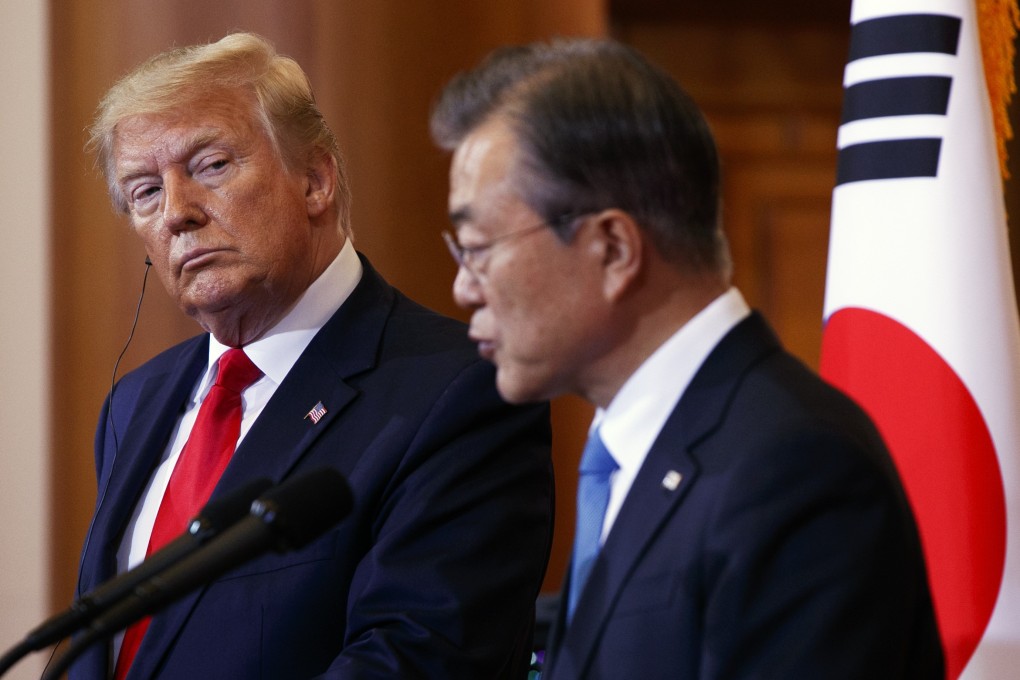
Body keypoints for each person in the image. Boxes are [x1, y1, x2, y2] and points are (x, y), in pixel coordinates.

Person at [431, 38, 944, 679]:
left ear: (613, 248)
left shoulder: (795, 468)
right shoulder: (637, 454)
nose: (462, 288)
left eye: (478, 248)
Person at [73, 32, 554, 680]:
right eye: (144, 192)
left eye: (211, 165)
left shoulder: (458, 393)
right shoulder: (136, 402)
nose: (178, 213)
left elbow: (414, 658)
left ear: (315, 180)